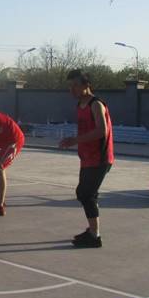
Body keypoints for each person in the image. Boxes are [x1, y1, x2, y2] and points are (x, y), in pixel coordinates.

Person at [58, 69, 114, 248]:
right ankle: (92, 230)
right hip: (88, 158)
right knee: (85, 194)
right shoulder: (80, 106)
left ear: (86, 85)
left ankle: (94, 236)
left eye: (75, 85)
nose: (72, 89)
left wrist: (75, 140)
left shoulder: (95, 104)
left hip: (100, 157)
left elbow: (101, 131)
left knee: (86, 194)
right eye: (70, 86)